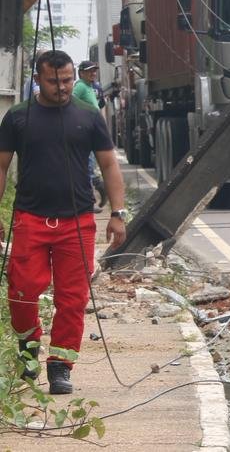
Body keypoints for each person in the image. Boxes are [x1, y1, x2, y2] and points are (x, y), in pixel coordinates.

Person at [0, 49, 127, 395]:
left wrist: (118, 214)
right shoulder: (18, 117)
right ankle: (28, 349)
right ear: (37, 79)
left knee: (72, 298)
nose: (64, 87)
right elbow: (0, 166)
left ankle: (60, 366)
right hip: (30, 219)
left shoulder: (88, 116)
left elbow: (109, 166)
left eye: (68, 79)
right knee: (22, 292)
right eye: (55, 81)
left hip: (77, 223)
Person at [72, 62, 109, 212]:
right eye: (89, 71)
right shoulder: (80, 86)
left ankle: (99, 188)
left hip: (93, 131)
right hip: (84, 131)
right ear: (81, 73)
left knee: (91, 164)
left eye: (94, 71)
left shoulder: (93, 87)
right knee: (87, 165)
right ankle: (90, 200)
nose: (93, 73)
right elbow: (72, 102)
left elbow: (99, 106)